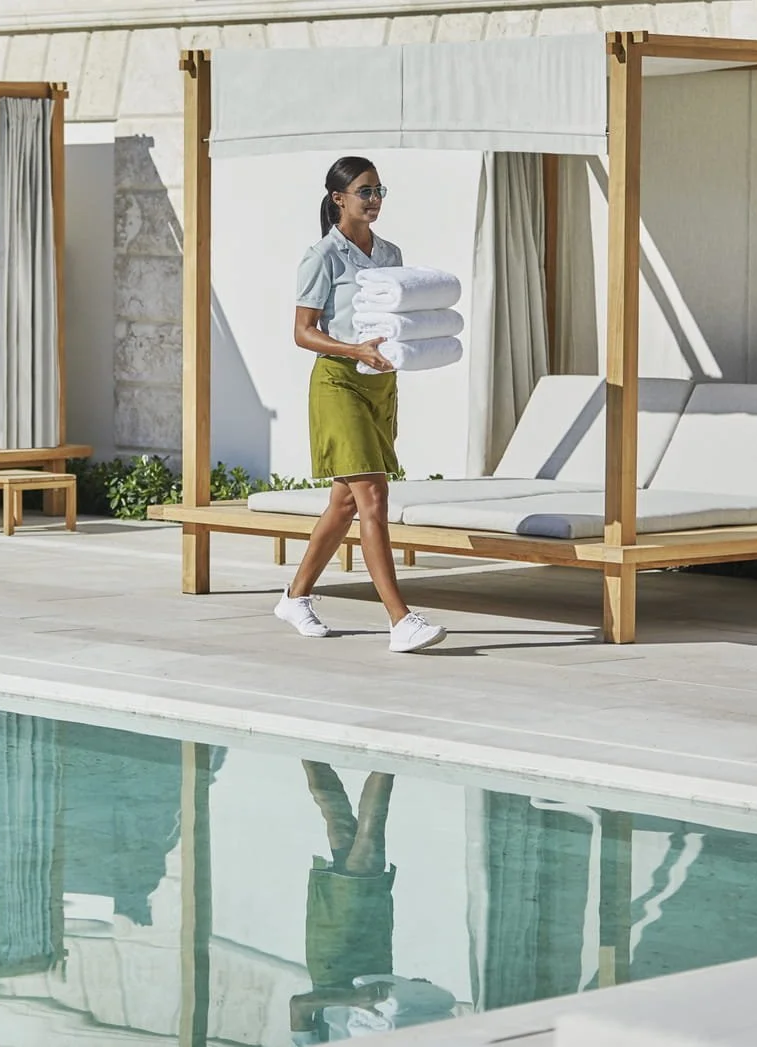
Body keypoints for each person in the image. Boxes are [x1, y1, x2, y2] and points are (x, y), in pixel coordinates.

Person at [274, 157, 446, 654]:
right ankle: (401, 619)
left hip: (379, 383)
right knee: (372, 496)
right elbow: (303, 332)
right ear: (338, 199)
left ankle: (295, 596)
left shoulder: (391, 253)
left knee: (345, 501)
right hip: (338, 382)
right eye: (364, 192)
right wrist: (355, 351)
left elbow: (397, 316)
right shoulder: (322, 256)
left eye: (378, 191)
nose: (374, 200)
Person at [289, 761, 457, 1043]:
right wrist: (412, 995)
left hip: (336, 965)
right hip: (377, 968)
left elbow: (300, 1005)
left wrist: (356, 999)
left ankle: (388, 760)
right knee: (342, 832)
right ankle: (304, 745)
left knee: (368, 860)